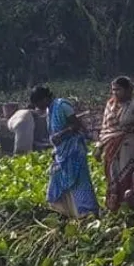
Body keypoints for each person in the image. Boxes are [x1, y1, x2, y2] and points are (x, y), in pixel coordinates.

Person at [32, 86, 99, 219]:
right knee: (57, 178)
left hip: (73, 150)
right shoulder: (49, 109)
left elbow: (76, 125)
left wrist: (61, 134)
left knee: (80, 182)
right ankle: (66, 212)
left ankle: (87, 213)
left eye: (37, 103)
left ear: (45, 98)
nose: (37, 107)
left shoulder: (62, 105)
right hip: (61, 152)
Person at [98, 77, 134, 212]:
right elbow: (105, 128)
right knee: (112, 176)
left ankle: (128, 205)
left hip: (130, 145)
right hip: (111, 146)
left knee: (128, 174)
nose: (115, 93)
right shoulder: (109, 106)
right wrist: (100, 146)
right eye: (113, 90)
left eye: (118, 89)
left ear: (126, 90)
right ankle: (114, 206)